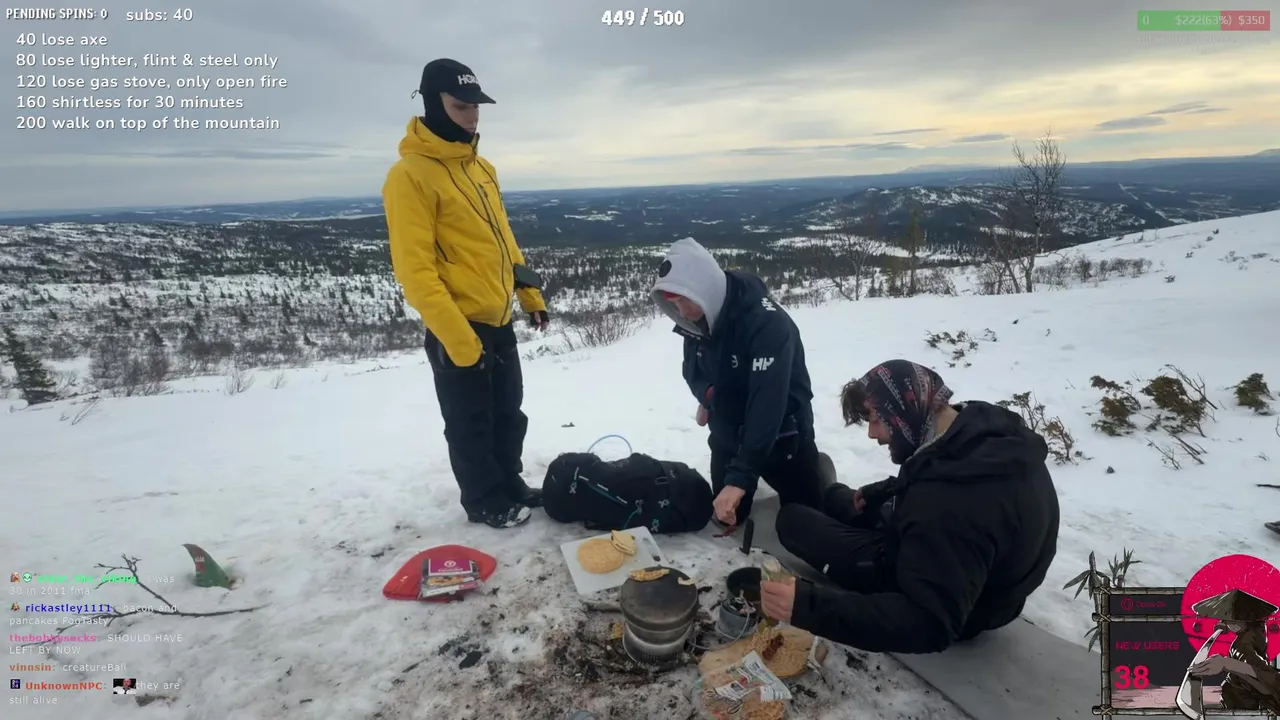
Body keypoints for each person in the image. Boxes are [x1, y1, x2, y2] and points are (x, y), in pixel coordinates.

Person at [759, 359, 1060, 653]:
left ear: (904, 413)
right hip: (971, 574)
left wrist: (808, 606)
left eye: (876, 420)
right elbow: (939, 467)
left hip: (952, 601)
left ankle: (821, 504)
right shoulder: (980, 429)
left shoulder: (950, 507)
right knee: (836, 497)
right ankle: (829, 494)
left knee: (793, 521)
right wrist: (887, 491)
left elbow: (929, 623)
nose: (872, 434)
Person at [383, 58, 549, 529]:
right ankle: (484, 499)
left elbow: (503, 239)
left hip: (498, 317)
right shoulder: (410, 176)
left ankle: (509, 482)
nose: (472, 116)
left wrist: (529, 295)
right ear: (433, 104)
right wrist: (459, 340)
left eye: (476, 106)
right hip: (457, 324)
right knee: (470, 421)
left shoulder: (482, 169)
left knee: (508, 413)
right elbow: (415, 271)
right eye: (461, 106)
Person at [650, 237, 824, 528]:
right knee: (727, 516)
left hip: (784, 432)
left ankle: (819, 474)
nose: (682, 312)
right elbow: (693, 372)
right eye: (675, 304)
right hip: (729, 430)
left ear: (704, 288)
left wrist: (742, 477)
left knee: (805, 520)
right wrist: (708, 396)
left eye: (685, 300)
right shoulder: (699, 320)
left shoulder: (766, 324)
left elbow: (767, 403)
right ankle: (748, 475)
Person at [1186, 588, 1280, 712]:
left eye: (1228, 619)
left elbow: (1270, 682)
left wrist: (1228, 664)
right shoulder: (1252, 637)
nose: (1224, 622)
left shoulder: (1243, 645)